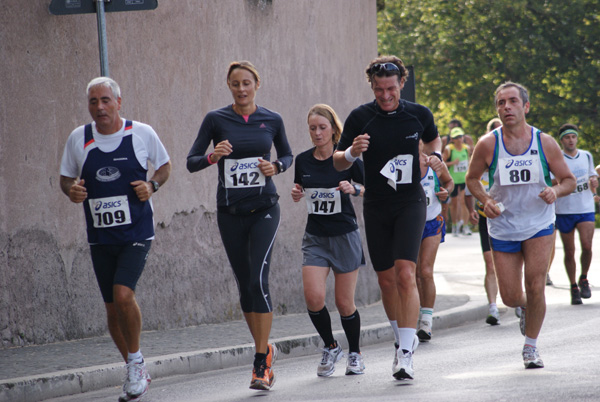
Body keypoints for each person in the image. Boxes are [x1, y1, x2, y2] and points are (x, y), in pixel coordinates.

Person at [59, 77, 172, 402]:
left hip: (137, 231)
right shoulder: (78, 139)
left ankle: (135, 362)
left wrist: (152, 186)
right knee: (111, 309)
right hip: (99, 236)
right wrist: (72, 191)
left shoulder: (141, 133)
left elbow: (164, 167)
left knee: (123, 295)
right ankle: (134, 368)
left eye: (105, 100)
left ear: (118, 102)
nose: (100, 107)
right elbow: (66, 178)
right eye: (93, 102)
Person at [332, 55, 443, 381]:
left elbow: (434, 138)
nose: (385, 95)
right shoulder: (360, 117)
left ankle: (406, 353)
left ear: (401, 84)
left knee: (406, 273)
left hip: (410, 201)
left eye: (391, 88)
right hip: (377, 204)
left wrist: (433, 156)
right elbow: (338, 162)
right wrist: (352, 152)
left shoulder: (419, 114)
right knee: (386, 280)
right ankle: (401, 337)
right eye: (379, 89)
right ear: (372, 86)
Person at [186, 61, 292, 391]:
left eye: (246, 83)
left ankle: (260, 363)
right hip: (230, 212)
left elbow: (287, 156)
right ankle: (265, 348)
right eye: (235, 84)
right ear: (229, 86)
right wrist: (212, 157)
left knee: (259, 278)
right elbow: (191, 162)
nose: (241, 89)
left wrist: (275, 166)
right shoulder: (216, 120)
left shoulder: (272, 119)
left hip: (265, 208)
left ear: (256, 84)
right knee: (245, 285)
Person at [466, 81, 576, 369]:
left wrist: (556, 191)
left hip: (539, 223)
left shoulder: (545, 142)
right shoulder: (488, 143)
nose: (507, 107)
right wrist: (484, 199)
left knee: (536, 283)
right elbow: (472, 179)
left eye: (512, 101)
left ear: (525, 106)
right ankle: (527, 306)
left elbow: (569, 181)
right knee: (511, 296)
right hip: (503, 225)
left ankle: (531, 346)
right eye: (501, 103)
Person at [291, 104, 366, 376]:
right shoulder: (302, 160)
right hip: (316, 237)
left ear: (334, 130)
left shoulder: (348, 159)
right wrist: (297, 193)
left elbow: (365, 188)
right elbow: (301, 187)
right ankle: (331, 346)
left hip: (345, 236)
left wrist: (353, 187)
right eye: (312, 128)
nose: (317, 133)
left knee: (345, 303)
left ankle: (355, 353)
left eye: (322, 127)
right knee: (313, 297)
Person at [553, 124, 598, 305]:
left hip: (585, 207)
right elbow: (552, 181)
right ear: (561, 140)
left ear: (576, 138)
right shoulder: (557, 159)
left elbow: (592, 177)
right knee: (569, 250)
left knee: (587, 246)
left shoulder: (586, 156)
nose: (570, 140)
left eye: (573, 137)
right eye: (567, 137)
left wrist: (594, 182)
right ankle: (573, 286)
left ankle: (584, 278)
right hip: (564, 210)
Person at [464, 117, 502, 325]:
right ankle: (493, 307)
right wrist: (471, 210)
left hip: (509, 222)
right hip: (486, 220)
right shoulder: (480, 159)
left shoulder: (508, 160)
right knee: (490, 263)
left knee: (513, 263)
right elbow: (469, 187)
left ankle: (518, 301)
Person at [417, 141, 453, 341]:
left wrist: (445, 192)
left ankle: (426, 322)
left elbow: (449, 182)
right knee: (412, 274)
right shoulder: (399, 165)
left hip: (432, 221)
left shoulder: (434, 163)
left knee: (425, 271)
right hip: (409, 225)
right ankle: (414, 315)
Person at [444, 127, 473, 236]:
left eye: (460, 136)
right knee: (455, 203)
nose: (459, 139)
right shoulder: (449, 149)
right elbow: (442, 162)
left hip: (464, 179)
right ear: (452, 139)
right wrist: (452, 163)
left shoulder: (467, 148)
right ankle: (455, 225)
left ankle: (465, 226)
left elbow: (470, 161)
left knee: (464, 202)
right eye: (456, 137)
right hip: (453, 180)